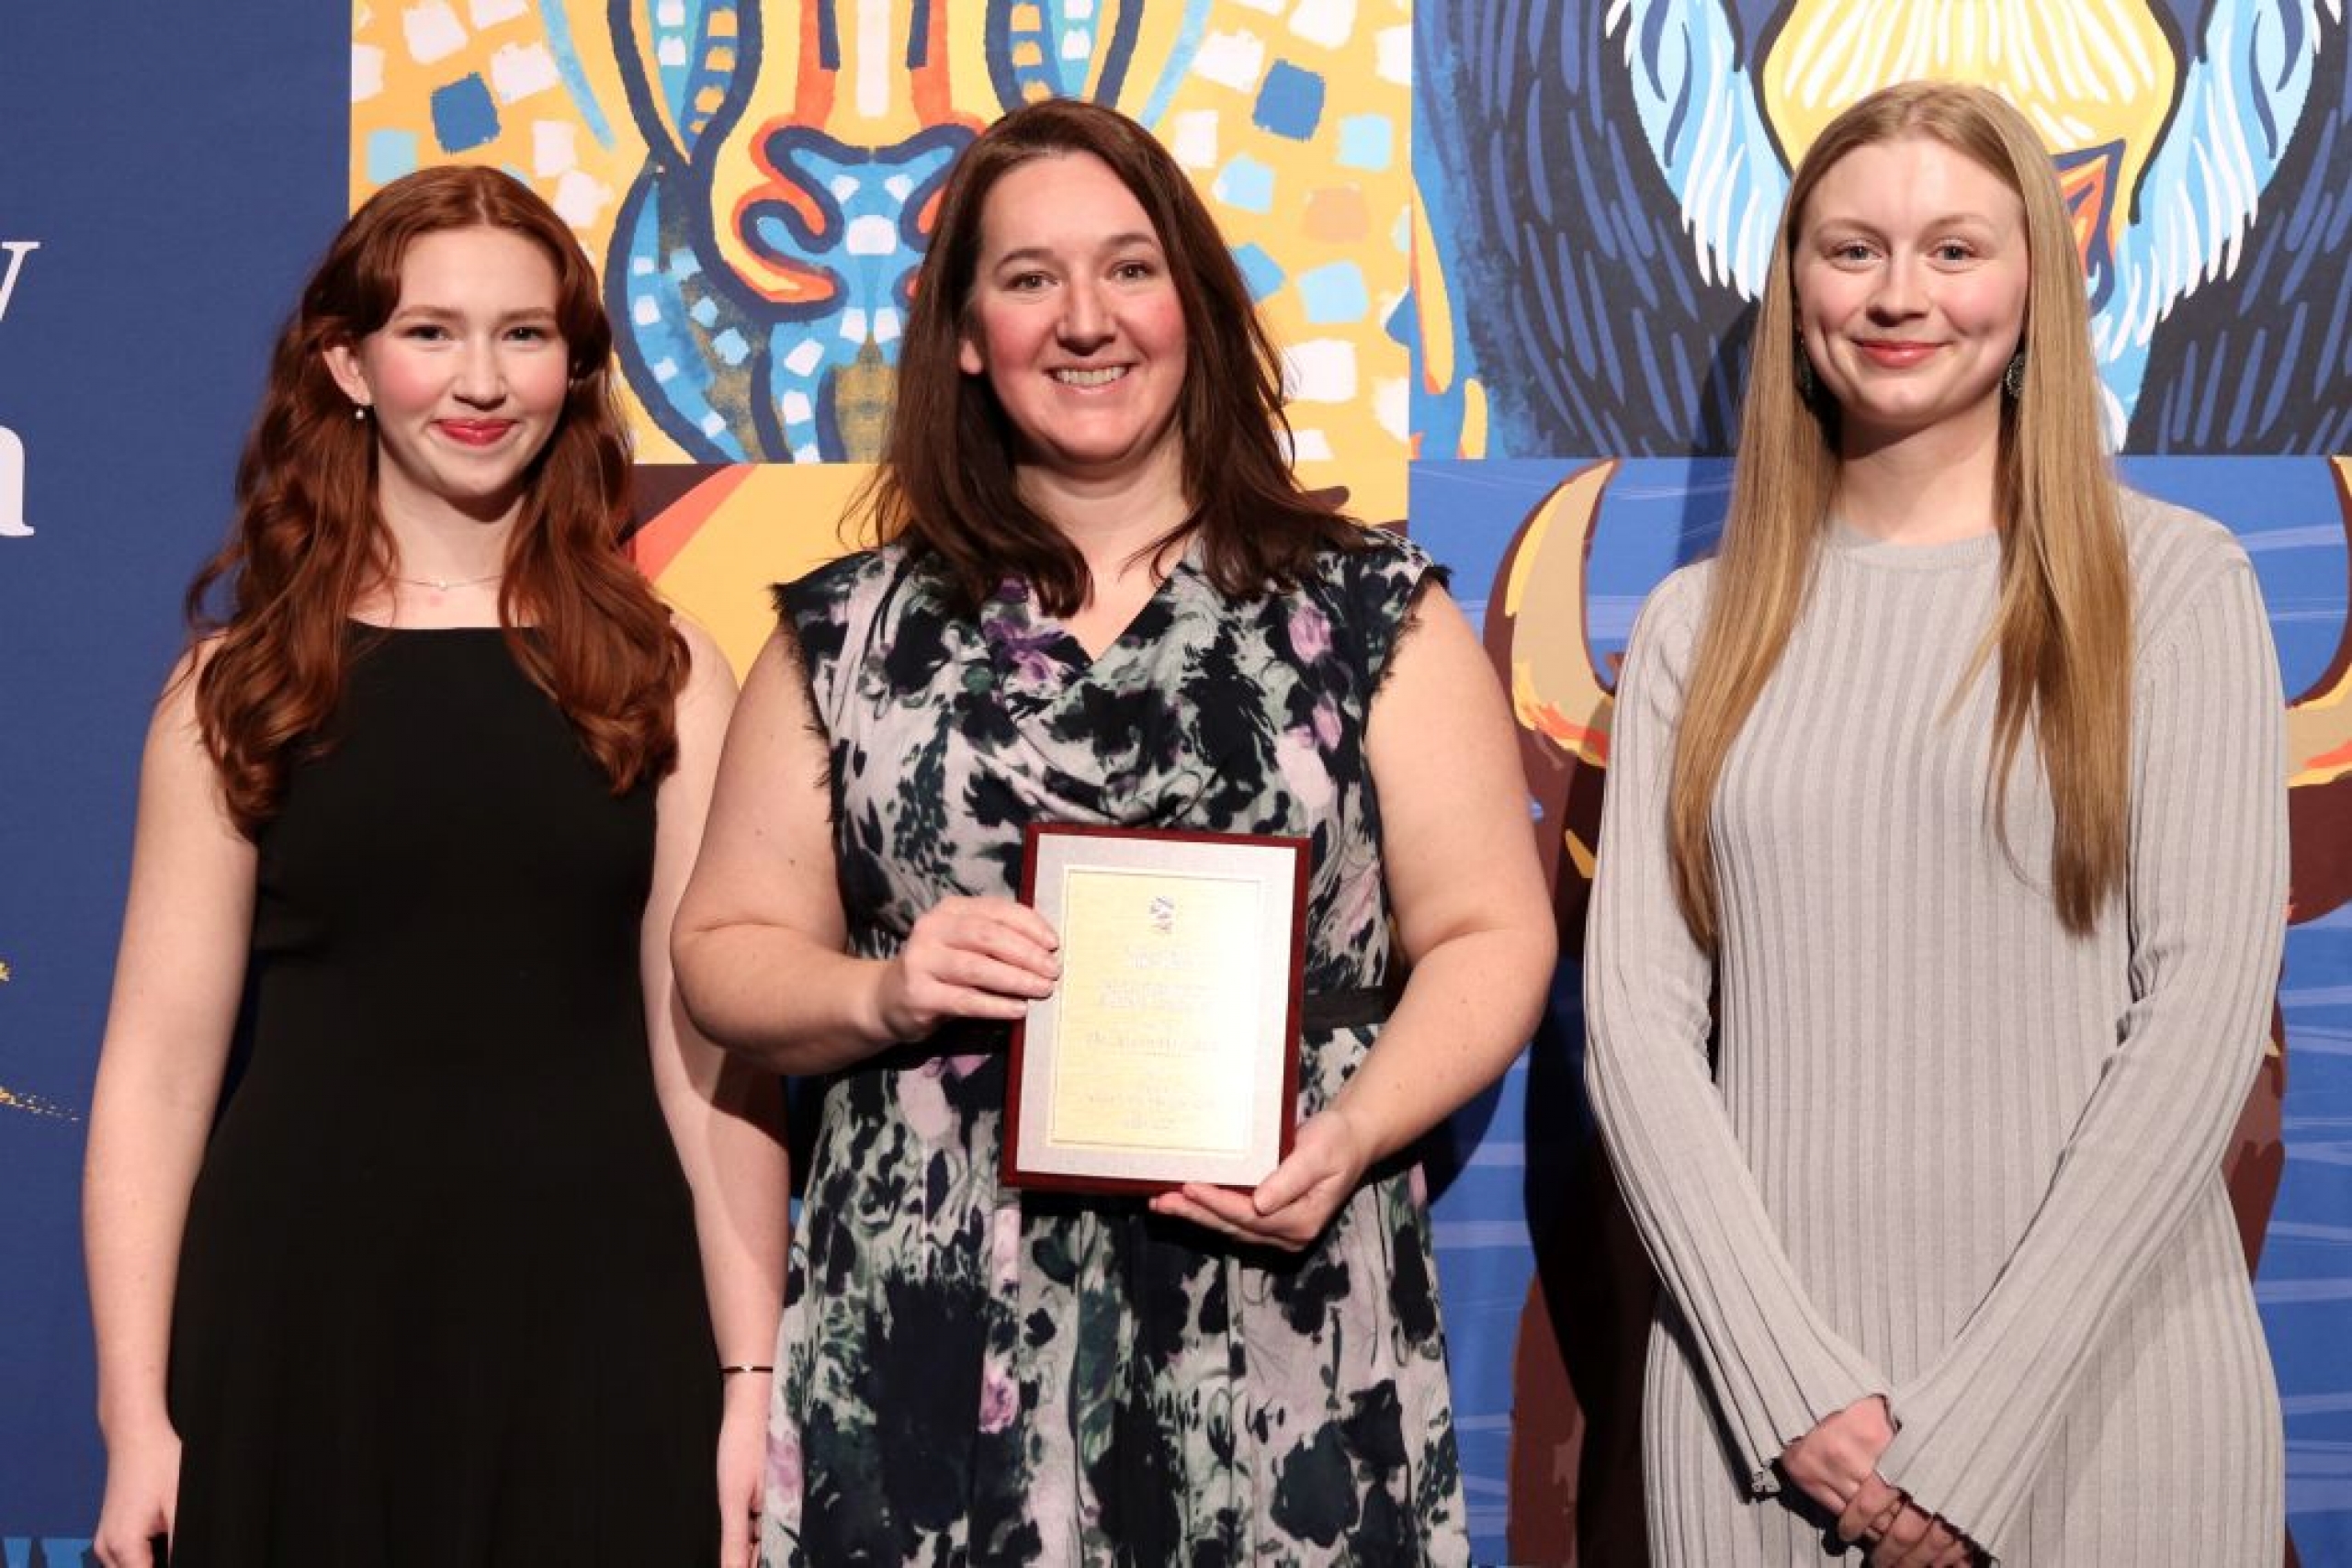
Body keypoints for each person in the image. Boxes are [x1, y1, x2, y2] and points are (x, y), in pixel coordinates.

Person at [671, 97, 1555, 1563]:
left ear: (1193, 306)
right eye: (1028, 280)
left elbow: (1491, 930)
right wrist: (878, 988)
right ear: (963, 334)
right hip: (930, 1328)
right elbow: (721, 954)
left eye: (1129, 270)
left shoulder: (1370, 611)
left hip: (1279, 1306)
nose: (1085, 320)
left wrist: (1352, 1136)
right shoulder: (847, 633)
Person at [1585, 79, 2288, 1567]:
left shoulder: (2177, 588)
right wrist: (1792, 1393)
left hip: (2113, 1418)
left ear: (2041, 274)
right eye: (1853, 251)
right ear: (1793, 285)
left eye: (1955, 249)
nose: (1900, 294)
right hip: (1763, 1442)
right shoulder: (1692, 630)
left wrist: (1982, 1428)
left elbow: (2206, 1015)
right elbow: (1640, 1035)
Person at [82, 165, 789, 1568]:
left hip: (604, 1316)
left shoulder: (668, 675)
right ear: (347, 363)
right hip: (300, 1329)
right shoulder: (242, 689)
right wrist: (136, 1418)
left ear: (575, 368)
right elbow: (157, 1074)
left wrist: (748, 1383)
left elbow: (705, 1060)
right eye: (432, 333)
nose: (482, 380)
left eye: (525, 335)